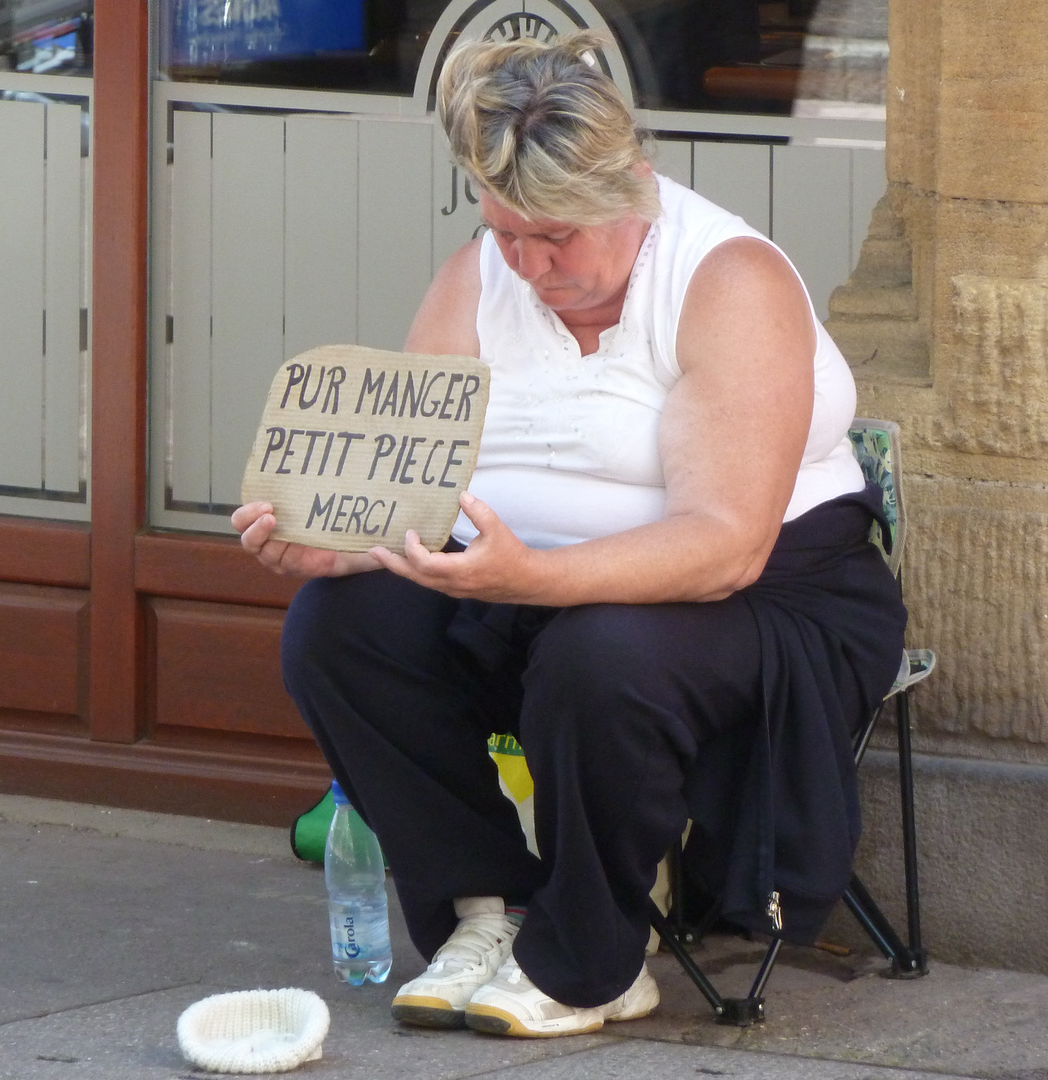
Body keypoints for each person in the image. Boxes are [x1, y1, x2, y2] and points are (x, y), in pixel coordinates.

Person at [230, 31, 906, 1038]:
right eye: (507, 234)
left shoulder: (726, 281)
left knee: (601, 653)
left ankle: (595, 958)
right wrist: (349, 543)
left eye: (559, 238)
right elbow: (419, 492)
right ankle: (489, 908)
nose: (532, 265)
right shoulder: (477, 278)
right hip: (524, 588)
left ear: (632, 187)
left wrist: (531, 577)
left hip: (767, 599)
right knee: (339, 626)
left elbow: (725, 545)